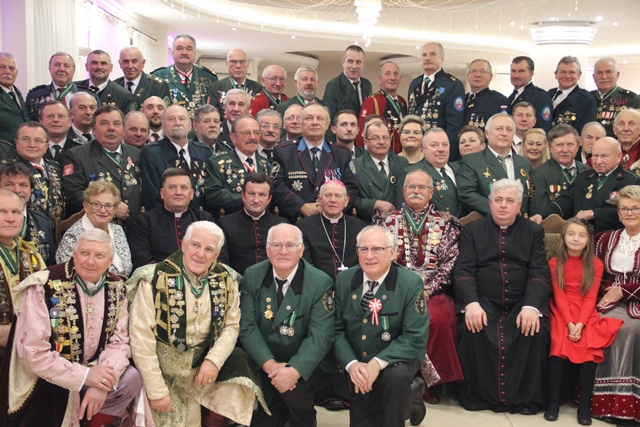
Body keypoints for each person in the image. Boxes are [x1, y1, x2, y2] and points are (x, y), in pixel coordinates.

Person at [0, 229, 141, 426]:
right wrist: (85, 376)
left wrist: (102, 383)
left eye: (99, 255)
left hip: (93, 367)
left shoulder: (116, 286)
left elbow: (119, 342)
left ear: (110, 261)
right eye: (84, 253)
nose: (90, 261)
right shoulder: (43, 285)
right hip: (46, 376)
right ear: (73, 255)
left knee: (131, 378)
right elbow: (33, 353)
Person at [129, 221, 263, 426]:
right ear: (183, 245)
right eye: (195, 245)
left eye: (209, 249)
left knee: (240, 366)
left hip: (203, 368)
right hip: (163, 373)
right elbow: (141, 338)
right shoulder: (153, 278)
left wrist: (214, 361)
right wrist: (156, 391)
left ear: (216, 255)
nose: (200, 254)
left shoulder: (226, 278)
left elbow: (231, 326)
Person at [455, 178, 550, 413]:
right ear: (490, 203)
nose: (503, 205)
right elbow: (464, 270)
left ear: (519, 206)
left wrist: (531, 306)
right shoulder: (473, 230)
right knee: (472, 329)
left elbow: (539, 271)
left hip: (521, 302)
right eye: (498, 200)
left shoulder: (533, 231)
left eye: (509, 201)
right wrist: (471, 303)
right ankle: (480, 397)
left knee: (535, 331)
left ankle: (523, 398)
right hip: (483, 300)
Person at [378, 169, 463, 403]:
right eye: (411, 187)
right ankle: (394, 376)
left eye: (422, 187)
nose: (416, 191)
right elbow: (380, 259)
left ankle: (429, 383)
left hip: (433, 291)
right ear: (403, 190)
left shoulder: (447, 224)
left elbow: (450, 263)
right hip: (394, 289)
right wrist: (405, 290)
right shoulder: (385, 222)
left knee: (438, 319)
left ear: (431, 192)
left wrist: (429, 289)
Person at [239, 223, 335, 427]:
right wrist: (271, 366)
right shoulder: (253, 275)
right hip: (266, 361)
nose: (283, 251)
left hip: (307, 364)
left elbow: (320, 336)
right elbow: (247, 327)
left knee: (295, 392)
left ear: (301, 249)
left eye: (290, 245)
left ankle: (305, 420)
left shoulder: (319, 282)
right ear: (267, 249)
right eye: (276, 245)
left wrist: (293, 370)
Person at [333, 225, 429, 426]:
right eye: (363, 249)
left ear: (392, 252)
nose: (369, 256)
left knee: (395, 379)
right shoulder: (344, 279)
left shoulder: (410, 283)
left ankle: (404, 398)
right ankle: (411, 396)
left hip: (397, 356)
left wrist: (377, 363)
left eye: (377, 249)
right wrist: (351, 364)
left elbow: (414, 337)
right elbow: (336, 329)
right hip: (358, 356)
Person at [544, 218, 623, 425]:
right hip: (562, 310)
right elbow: (559, 295)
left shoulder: (595, 264)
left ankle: (585, 406)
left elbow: (590, 297)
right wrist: (570, 323)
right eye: (571, 234)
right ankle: (553, 402)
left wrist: (580, 323)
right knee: (558, 342)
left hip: (585, 311)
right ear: (563, 237)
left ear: (589, 240)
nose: (576, 239)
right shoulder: (554, 262)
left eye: (581, 235)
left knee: (589, 345)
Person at [592, 185, 640, 424]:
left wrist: (624, 291)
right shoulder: (605, 239)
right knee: (600, 323)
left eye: (636, 208)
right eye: (624, 209)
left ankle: (626, 405)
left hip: (636, 300)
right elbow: (595, 274)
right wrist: (605, 293)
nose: (630, 213)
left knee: (629, 328)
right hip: (607, 299)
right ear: (618, 213)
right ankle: (603, 403)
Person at [530, 137, 639, 233]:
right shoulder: (583, 177)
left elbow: (632, 212)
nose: (598, 161)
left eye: (604, 156)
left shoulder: (630, 181)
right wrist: (542, 215)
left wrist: (593, 213)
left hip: (610, 238)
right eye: (595, 156)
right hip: (580, 238)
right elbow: (566, 201)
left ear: (618, 157)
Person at [272, 102, 359, 222]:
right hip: (295, 221)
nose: (315, 122)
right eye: (309, 118)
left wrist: (329, 208)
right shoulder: (283, 151)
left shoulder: (342, 153)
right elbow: (276, 185)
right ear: (301, 124)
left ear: (327, 125)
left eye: (320, 118)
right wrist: (301, 206)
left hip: (333, 221)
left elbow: (351, 187)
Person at [62, 105, 143, 226]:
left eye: (116, 124)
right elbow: (74, 195)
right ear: (93, 130)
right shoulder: (77, 156)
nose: (111, 128)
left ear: (123, 129)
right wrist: (110, 207)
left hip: (135, 228)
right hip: (96, 228)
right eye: (104, 123)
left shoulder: (137, 154)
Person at [129, 167, 215, 269]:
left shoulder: (205, 219)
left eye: (184, 188)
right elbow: (142, 259)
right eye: (172, 187)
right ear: (162, 193)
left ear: (191, 194)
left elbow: (217, 255)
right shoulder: (145, 221)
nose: (178, 192)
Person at [139, 104, 212, 210]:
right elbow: (152, 197)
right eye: (171, 119)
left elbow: (210, 192)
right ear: (163, 126)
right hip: (166, 217)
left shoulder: (204, 151)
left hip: (201, 216)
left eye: (182, 119)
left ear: (190, 125)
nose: (177, 123)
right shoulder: (151, 153)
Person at [0, 189, 46, 358]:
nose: (10, 218)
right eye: (2, 212)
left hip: (29, 348)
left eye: (15, 212)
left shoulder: (31, 254)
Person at [457, 113, 532, 216]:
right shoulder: (472, 161)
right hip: (487, 222)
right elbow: (466, 194)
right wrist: (499, 209)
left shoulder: (524, 163)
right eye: (499, 129)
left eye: (509, 129)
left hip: (520, 223)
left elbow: (530, 197)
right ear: (487, 134)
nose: (504, 133)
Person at [56, 181, 132, 277]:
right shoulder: (73, 237)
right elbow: (70, 276)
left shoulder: (118, 230)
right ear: (85, 206)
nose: (103, 210)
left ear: (115, 209)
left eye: (108, 205)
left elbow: (127, 268)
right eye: (96, 204)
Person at [217, 172, 286, 275]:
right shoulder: (225, 224)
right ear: (243, 196)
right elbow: (221, 264)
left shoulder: (281, 225)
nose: (256, 200)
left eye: (262, 195)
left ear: (269, 199)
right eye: (251, 194)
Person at [298, 180, 366, 279]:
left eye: (338, 196)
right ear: (319, 200)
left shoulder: (360, 227)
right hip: (318, 283)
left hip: (353, 282)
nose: (333, 200)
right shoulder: (304, 226)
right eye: (328, 195)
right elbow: (305, 264)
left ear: (346, 201)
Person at [204, 115, 270, 218]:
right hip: (230, 221)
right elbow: (213, 194)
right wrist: (248, 200)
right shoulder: (218, 163)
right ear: (233, 137)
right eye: (246, 133)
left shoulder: (266, 164)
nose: (253, 137)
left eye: (256, 133)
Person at [408, 41, 465, 159]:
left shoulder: (452, 84)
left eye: (432, 54)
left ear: (442, 59)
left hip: (437, 151)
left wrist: (445, 154)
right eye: (424, 55)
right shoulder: (414, 83)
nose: (427, 58)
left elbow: (454, 126)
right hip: (415, 150)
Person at [0, 163, 55, 265]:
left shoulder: (42, 222)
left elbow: (51, 264)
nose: (17, 190)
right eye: (9, 184)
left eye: (23, 185)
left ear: (31, 190)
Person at [398, 128, 462, 217]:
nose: (441, 149)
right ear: (423, 149)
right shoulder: (411, 173)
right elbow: (403, 211)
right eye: (434, 145)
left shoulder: (460, 169)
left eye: (445, 145)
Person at [152, 34, 218, 118]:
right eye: (179, 48)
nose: (184, 52)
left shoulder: (209, 77)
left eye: (189, 49)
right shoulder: (158, 77)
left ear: (194, 54)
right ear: (173, 53)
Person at [529, 124, 590, 216]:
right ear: (550, 147)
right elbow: (538, 212)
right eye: (559, 145)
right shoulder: (538, 174)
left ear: (578, 146)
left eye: (570, 145)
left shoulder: (588, 171)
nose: (565, 150)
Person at [353, 121, 408, 222]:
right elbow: (350, 199)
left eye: (385, 137)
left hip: (398, 223)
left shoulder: (402, 162)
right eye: (375, 138)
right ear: (365, 142)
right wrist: (375, 204)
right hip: (369, 223)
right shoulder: (356, 165)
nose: (381, 142)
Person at [10, 121, 64, 222]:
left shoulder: (55, 167)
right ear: (16, 142)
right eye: (26, 139)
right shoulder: (7, 170)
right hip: (25, 226)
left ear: (47, 145)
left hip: (57, 227)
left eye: (38, 140)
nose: (32, 145)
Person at [25, 52, 99, 121]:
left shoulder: (90, 96)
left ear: (73, 70)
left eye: (66, 66)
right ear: (50, 68)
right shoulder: (34, 96)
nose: (61, 69)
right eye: (57, 65)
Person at [357, 61, 407, 152]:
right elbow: (362, 133)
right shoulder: (373, 101)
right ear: (379, 79)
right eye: (387, 74)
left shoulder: (402, 101)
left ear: (400, 79)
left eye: (395, 74)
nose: (392, 78)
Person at [324, 45, 372, 135]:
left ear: (363, 64)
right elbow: (329, 120)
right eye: (350, 61)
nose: (354, 66)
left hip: (362, 138)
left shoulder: (367, 85)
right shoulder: (333, 85)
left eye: (358, 62)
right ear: (343, 62)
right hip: (342, 138)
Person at [590, 57, 640, 137]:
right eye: (599, 73)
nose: (604, 77)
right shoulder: (587, 98)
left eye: (608, 72)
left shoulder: (631, 99)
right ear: (593, 77)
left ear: (617, 75)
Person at [548, 56, 597, 134]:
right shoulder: (548, 94)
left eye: (572, 72)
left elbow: (584, 132)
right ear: (556, 74)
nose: (567, 76)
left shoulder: (586, 100)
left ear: (579, 75)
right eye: (563, 72)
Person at [76, 49, 134, 113]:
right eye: (94, 63)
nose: (99, 67)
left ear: (111, 67)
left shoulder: (123, 95)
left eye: (103, 63)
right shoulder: (75, 89)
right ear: (86, 66)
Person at [209, 48, 263, 114]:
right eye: (233, 62)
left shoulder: (258, 88)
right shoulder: (216, 87)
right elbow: (214, 114)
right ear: (227, 64)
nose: (238, 66)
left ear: (247, 64)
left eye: (242, 62)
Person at [507, 56, 553, 132]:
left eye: (521, 71)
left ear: (531, 73)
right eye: (513, 71)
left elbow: (543, 128)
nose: (516, 75)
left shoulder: (541, 96)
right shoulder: (510, 98)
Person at [464, 59, 508, 131]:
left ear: (490, 77)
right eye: (473, 71)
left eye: (483, 71)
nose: (477, 75)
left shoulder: (498, 100)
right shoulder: (463, 99)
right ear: (468, 76)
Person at [0, 52, 29, 141]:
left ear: (16, 72)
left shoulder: (18, 94)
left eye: (11, 68)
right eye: (1, 67)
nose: (7, 71)